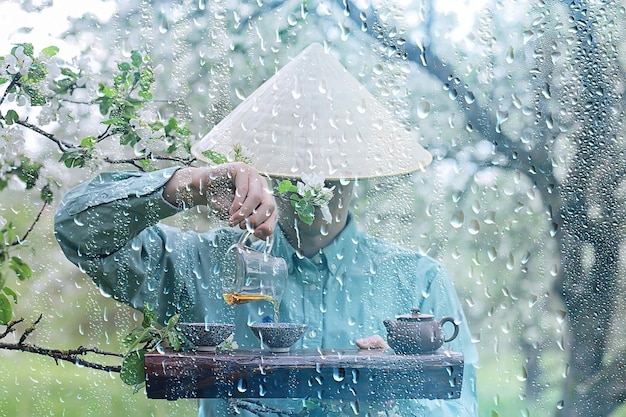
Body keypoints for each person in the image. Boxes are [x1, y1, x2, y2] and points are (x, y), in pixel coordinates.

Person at [54, 43, 478, 416]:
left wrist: (393, 392)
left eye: (332, 164)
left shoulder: (417, 282)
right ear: (270, 166)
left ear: (358, 171)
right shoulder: (207, 265)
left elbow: (460, 406)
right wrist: (189, 186)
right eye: (298, 162)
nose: (315, 177)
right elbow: (78, 230)